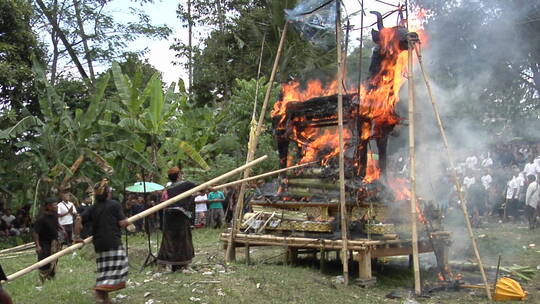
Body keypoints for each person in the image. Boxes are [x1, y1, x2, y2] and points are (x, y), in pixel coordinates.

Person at [75, 179, 133, 304]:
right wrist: (127, 221)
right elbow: (122, 223)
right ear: (107, 193)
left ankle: (105, 299)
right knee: (121, 265)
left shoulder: (92, 208)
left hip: (99, 243)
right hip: (112, 241)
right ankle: (99, 291)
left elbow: (78, 218)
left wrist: (77, 236)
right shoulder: (114, 205)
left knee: (104, 270)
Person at [157, 166, 196, 272]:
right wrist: (209, 188)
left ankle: (164, 265)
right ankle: (185, 265)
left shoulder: (168, 189)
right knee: (183, 239)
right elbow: (201, 188)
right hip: (180, 215)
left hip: (168, 215)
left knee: (169, 239)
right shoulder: (186, 184)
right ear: (179, 175)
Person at [32, 198, 61, 283]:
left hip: (54, 242)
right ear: (48, 206)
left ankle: (51, 277)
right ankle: (42, 279)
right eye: (54, 205)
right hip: (44, 243)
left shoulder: (54, 214)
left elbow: (56, 223)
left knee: (54, 260)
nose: (57, 206)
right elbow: (35, 232)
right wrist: (38, 246)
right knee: (44, 260)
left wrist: (61, 228)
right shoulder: (41, 218)